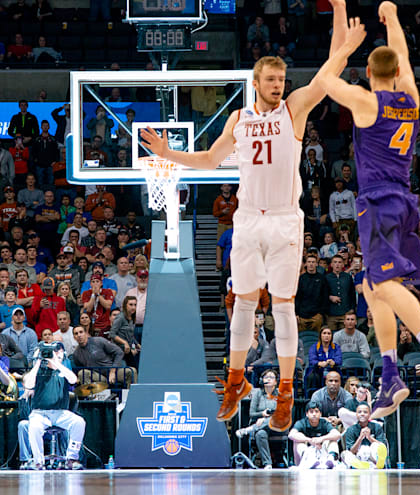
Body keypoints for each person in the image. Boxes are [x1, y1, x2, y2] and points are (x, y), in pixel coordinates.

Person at [139, 0, 351, 434]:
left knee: (285, 308)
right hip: (249, 218)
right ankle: (236, 382)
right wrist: (167, 154)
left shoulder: (295, 108)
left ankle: (287, 394)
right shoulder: (238, 117)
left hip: (285, 221)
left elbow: (334, 66)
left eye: (282, 79)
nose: (279, 85)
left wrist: (340, 7)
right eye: (271, 80)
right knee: (244, 305)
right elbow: (209, 159)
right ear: (256, 82)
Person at [311, 3, 420, 421]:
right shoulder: (409, 95)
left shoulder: (365, 102)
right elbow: (404, 56)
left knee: (380, 283)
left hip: (377, 200)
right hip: (404, 198)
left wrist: (346, 48)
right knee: (373, 287)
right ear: (395, 72)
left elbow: (324, 80)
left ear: (372, 74)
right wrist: (392, 17)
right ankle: (390, 375)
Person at [21, 341, 85, 470]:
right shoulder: (38, 370)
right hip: (40, 413)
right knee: (34, 427)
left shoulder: (63, 370)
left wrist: (55, 362)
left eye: (58, 351)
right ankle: (38, 462)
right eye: (53, 351)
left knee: (79, 422)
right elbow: (28, 384)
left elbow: (73, 380)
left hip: (61, 413)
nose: (54, 353)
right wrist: (38, 361)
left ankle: (72, 458)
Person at [234, 368, 278, 469]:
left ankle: (248, 430)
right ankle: (267, 464)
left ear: (276, 381)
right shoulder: (257, 394)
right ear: (262, 380)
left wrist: (267, 418)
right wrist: (262, 414)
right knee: (260, 434)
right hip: (261, 427)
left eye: (271, 377)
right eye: (266, 377)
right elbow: (251, 414)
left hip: (278, 427)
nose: (268, 379)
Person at [287, 401, 342, 469]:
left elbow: (337, 434)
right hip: (306, 456)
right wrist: (309, 440)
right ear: (307, 414)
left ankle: (331, 459)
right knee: (298, 440)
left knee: (332, 440)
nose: (314, 414)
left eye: (316, 411)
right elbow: (291, 435)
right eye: (311, 412)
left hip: (322, 455)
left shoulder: (324, 423)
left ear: (320, 414)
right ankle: (310, 460)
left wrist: (321, 439)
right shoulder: (301, 423)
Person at [342, 403, 388, 469]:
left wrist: (369, 438)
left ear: (369, 414)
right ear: (356, 414)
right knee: (345, 454)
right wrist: (360, 438)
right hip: (359, 456)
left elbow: (382, 447)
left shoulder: (377, 426)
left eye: (365, 412)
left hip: (372, 456)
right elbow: (352, 451)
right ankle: (363, 465)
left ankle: (377, 464)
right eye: (359, 412)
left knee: (375, 445)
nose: (362, 414)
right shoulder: (350, 429)